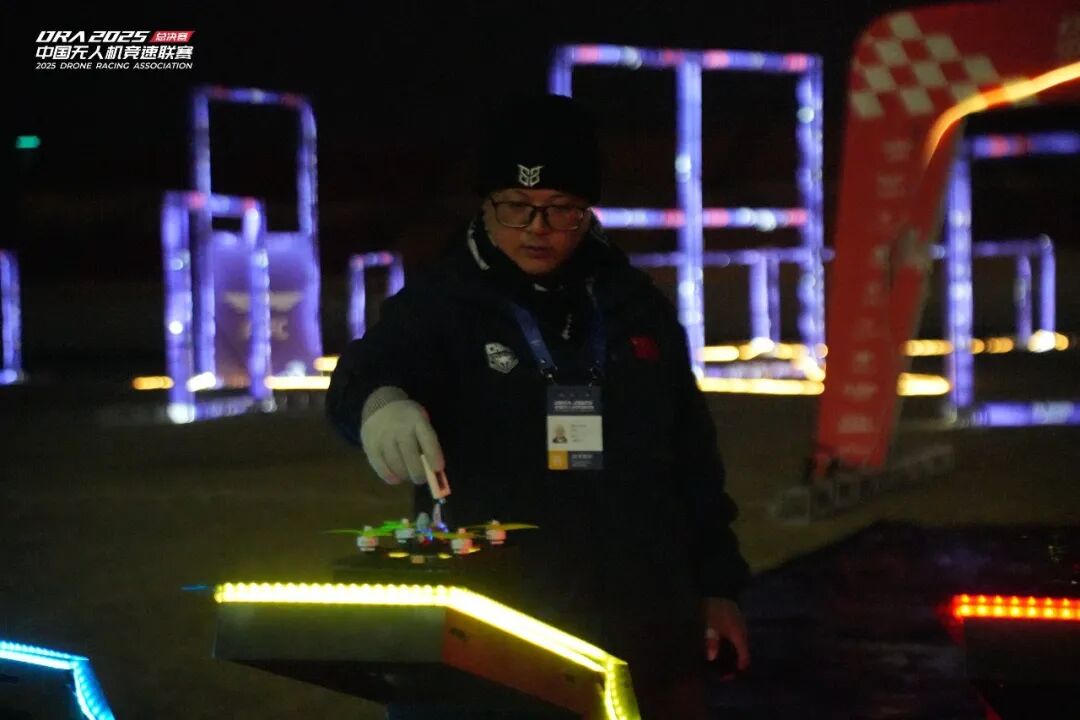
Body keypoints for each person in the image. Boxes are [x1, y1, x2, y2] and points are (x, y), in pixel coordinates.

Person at [327, 93, 750, 719]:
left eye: (560, 208)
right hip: (493, 638)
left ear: (588, 209)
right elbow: (365, 372)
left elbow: (692, 459)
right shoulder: (442, 304)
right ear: (485, 203)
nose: (537, 228)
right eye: (516, 206)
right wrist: (379, 405)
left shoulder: (636, 307)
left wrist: (718, 587)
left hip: (645, 633)